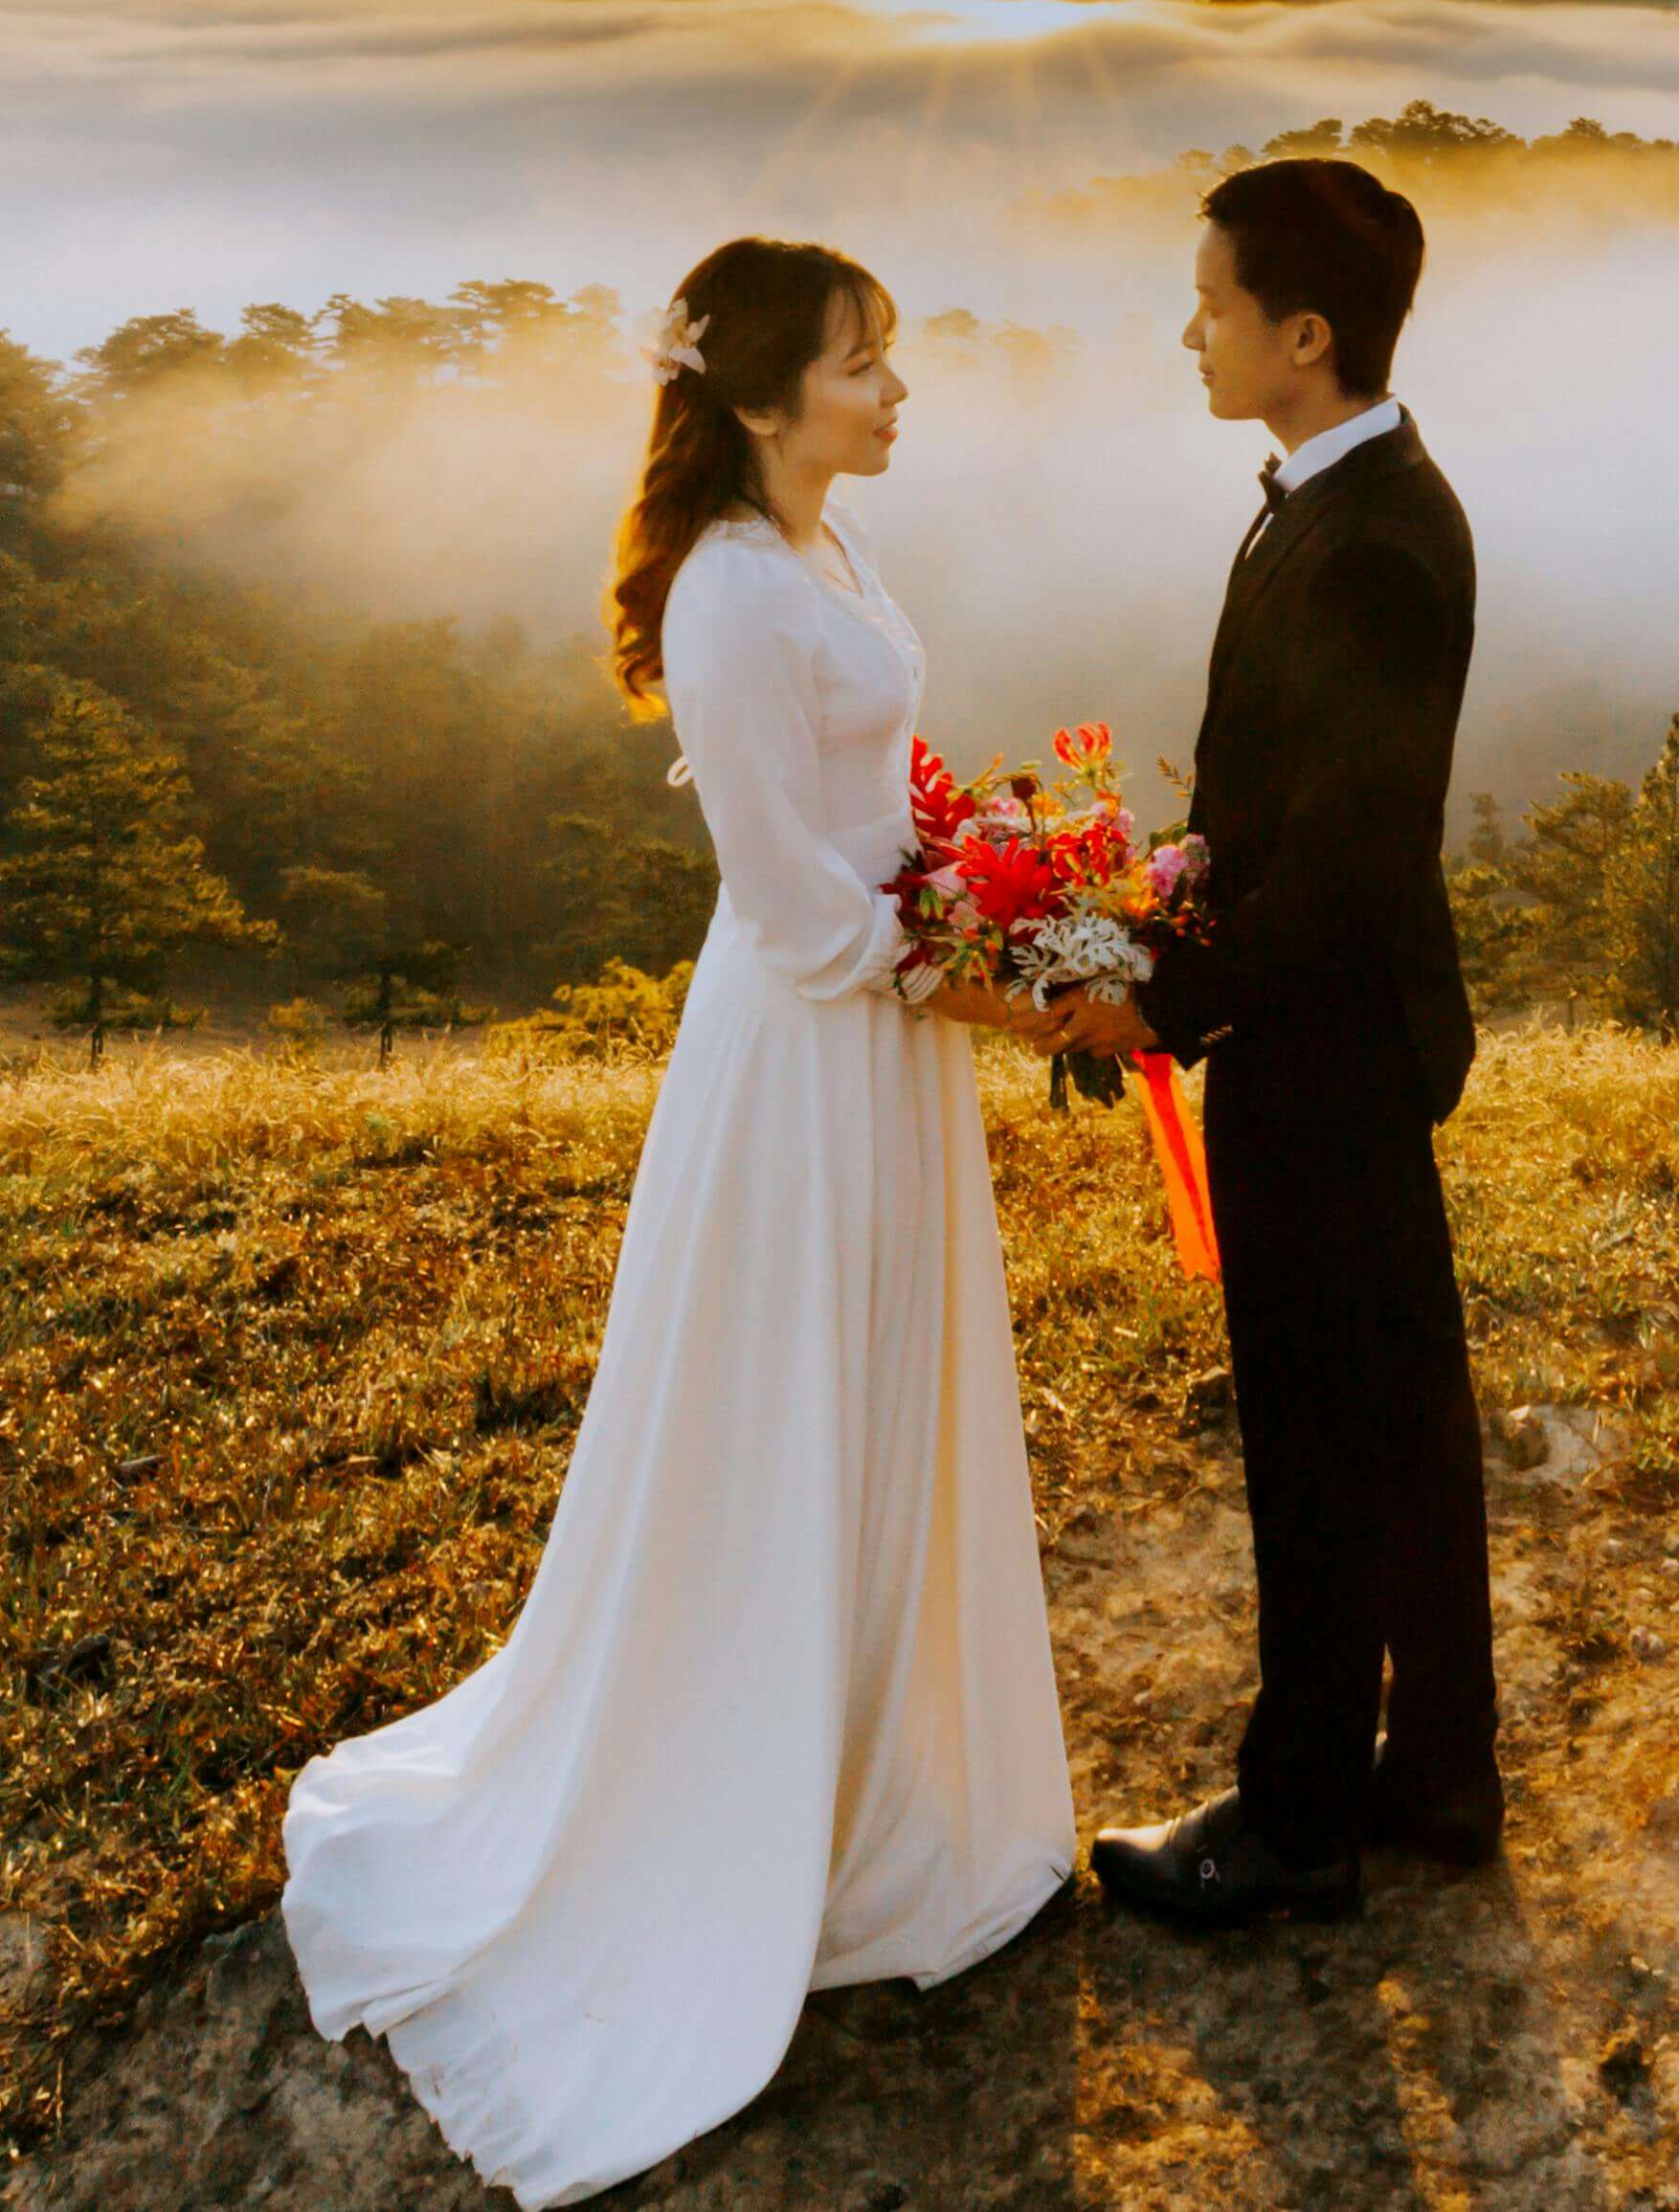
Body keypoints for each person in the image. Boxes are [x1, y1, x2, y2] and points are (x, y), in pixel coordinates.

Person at [276, 238, 1072, 2206]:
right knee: (782, 1397)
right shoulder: (728, 586)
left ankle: (884, 1786)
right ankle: (737, 1805)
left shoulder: (825, 550)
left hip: (883, 1033)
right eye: (866, 367)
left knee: (885, 1385)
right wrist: (1011, 985)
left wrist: (1002, 879)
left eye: (891, 360)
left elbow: (877, 808)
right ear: (765, 397)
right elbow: (798, 905)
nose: (898, 395)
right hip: (812, 1050)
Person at [1049, 157, 1499, 1927]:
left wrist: (1162, 1001)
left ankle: (1301, 1816)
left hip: (1326, 1047)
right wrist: (1151, 910)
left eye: (1216, 304)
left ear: (1305, 335)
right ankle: (1440, 1781)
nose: (1191, 330)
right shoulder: (1333, 494)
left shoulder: (1375, 538)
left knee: (1320, 1434)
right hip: (1338, 1027)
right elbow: (1275, 804)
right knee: (1399, 1419)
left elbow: (1349, 852)